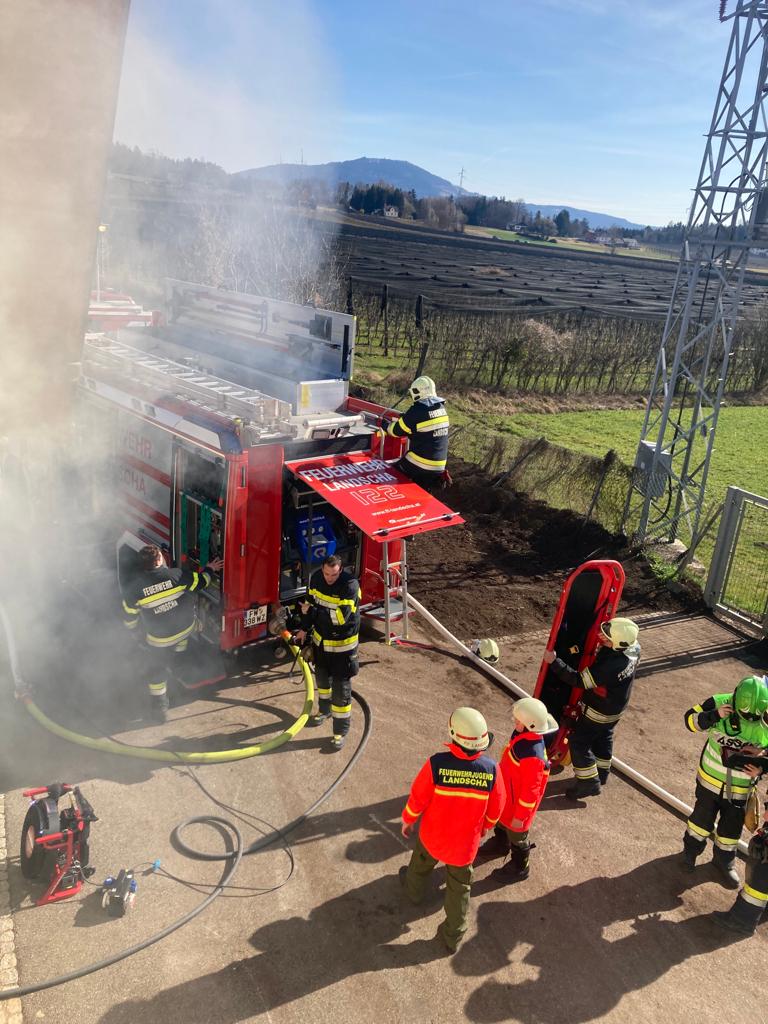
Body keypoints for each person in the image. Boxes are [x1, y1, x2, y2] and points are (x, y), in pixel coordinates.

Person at [400, 707, 505, 953]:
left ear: (453, 734)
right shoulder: (491, 769)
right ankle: (453, 935)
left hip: (432, 837)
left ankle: (413, 894)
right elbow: (498, 805)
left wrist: (408, 819)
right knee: (459, 890)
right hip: (464, 846)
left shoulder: (436, 764)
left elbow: (418, 797)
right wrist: (486, 826)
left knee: (419, 866)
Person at [682, 674, 768, 888]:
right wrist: (714, 715)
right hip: (709, 781)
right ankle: (690, 853)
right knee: (700, 821)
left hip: (741, 788)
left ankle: (724, 862)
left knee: (731, 829)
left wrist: (761, 763)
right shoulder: (718, 702)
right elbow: (690, 721)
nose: (750, 721)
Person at [121, 544, 223, 722]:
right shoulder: (177, 575)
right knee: (181, 637)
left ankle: (159, 709)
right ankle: (179, 661)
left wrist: (135, 634)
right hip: (185, 629)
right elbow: (201, 582)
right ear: (159, 560)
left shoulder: (134, 590)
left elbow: (129, 617)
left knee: (156, 671)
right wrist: (210, 569)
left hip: (160, 640)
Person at [542, 616, 640, 800]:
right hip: (615, 709)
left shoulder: (611, 666)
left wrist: (554, 662)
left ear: (618, 644)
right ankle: (601, 773)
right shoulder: (633, 649)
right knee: (603, 737)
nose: (600, 636)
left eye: (606, 638)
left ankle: (589, 783)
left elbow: (579, 680)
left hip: (598, 712)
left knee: (578, 742)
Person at [478, 697, 555, 883]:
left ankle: (520, 866)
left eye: (518, 720)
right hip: (508, 794)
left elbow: (531, 791)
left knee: (517, 835)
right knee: (501, 821)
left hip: (518, 806)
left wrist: (520, 817)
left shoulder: (533, 756)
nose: (515, 722)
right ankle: (501, 843)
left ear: (531, 724)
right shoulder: (524, 736)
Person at [295, 553, 361, 751]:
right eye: (326, 573)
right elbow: (307, 605)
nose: (329, 578)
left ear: (341, 570)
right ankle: (324, 711)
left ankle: (340, 732)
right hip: (321, 644)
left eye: (333, 575)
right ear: (322, 569)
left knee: (341, 691)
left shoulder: (350, 586)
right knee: (322, 682)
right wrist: (303, 629)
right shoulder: (316, 579)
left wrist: (312, 612)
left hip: (343, 649)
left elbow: (340, 618)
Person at [386, 375, 450, 491]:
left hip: (420, 463)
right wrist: (408, 420)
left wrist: (384, 425)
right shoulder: (441, 408)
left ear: (417, 392)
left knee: (392, 472)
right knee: (422, 490)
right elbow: (425, 431)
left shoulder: (418, 409)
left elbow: (395, 431)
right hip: (439, 466)